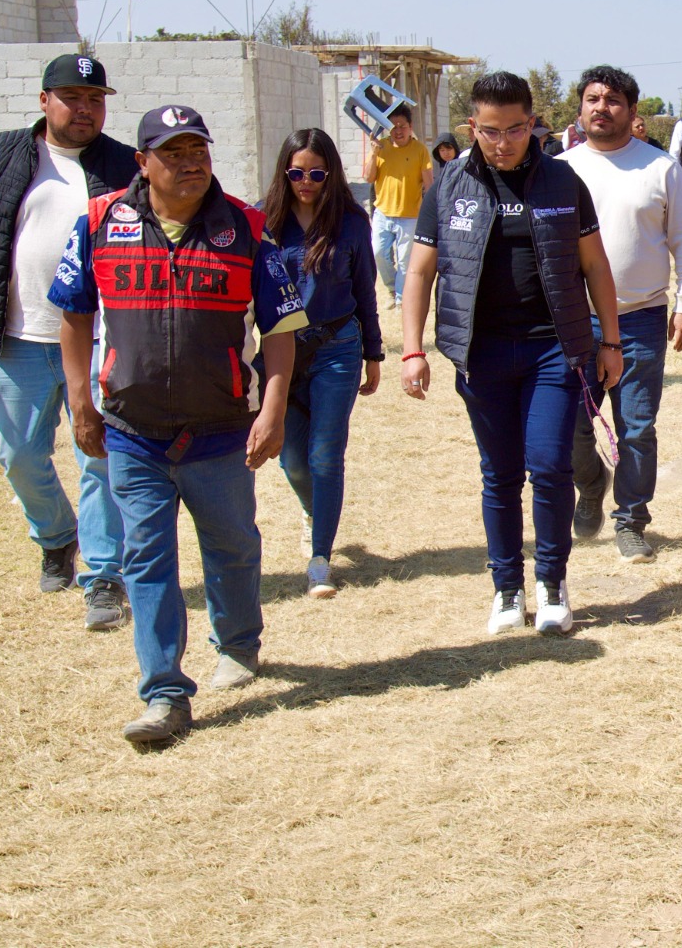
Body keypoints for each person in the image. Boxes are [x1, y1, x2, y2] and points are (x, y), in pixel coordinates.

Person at [50, 105, 307, 745]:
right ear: (143, 162)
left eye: (199, 151)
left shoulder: (248, 228)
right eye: (173, 153)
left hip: (220, 429)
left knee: (232, 545)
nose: (191, 163)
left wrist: (273, 409)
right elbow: (75, 316)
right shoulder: (99, 222)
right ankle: (164, 692)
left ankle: (239, 643)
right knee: (146, 559)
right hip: (132, 431)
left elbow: (280, 329)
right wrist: (80, 402)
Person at [400, 71, 623, 636]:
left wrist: (610, 341)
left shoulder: (563, 182)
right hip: (482, 355)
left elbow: (595, 265)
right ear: (472, 127)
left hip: (553, 349)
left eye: (516, 130)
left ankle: (552, 582)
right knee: (499, 475)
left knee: (548, 466)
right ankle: (506, 587)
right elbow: (420, 272)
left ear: (533, 124)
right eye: (491, 131)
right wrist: (412, 350)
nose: (503, 143)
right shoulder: (447, 186)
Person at [0, 54, 137, 629]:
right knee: (19, 456)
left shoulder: (125, 166)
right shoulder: (2, 157)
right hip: (21, 338)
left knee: (99, 459)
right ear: (44, 101)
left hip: (100, 338)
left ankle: (104, 576)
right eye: (72, 98)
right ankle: (55, 535)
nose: (85, 109)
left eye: (95, 99)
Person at [563, 65, 682, 562]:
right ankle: (591, 483)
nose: (602, 107)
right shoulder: (560, 170)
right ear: (581, 108)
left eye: (613, 100)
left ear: (632, 110)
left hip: (641, 317)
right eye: (593, 99)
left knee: (637, 426)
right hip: (575, 320)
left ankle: (631, 520)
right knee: (571, 424)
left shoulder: (660, 168)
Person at [258, 128, 384, 597]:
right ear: (284, 173)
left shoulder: (350, 222)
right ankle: (315, 511)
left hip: (337, 347)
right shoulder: (263, 221)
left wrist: (373, 352)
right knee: (292, 459)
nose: (306, 182)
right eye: (297, 173)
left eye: (316, 173)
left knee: (325, 455)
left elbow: (365, 289)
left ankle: (320, 559)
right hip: (281, 353)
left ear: (331, 174)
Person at [363, 107, 432, 308]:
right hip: (383, 213)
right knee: (378, 253)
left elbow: (429, 184)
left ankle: (401, 298)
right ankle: (392, 287)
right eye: (393, 127)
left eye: (402, 126)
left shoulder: (420, 150)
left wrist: (431, 211)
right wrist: (374, 153)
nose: (398, 131)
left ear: (410, 127)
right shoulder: (381, 147)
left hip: (410, 216)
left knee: (404, 260)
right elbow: (368, 177)